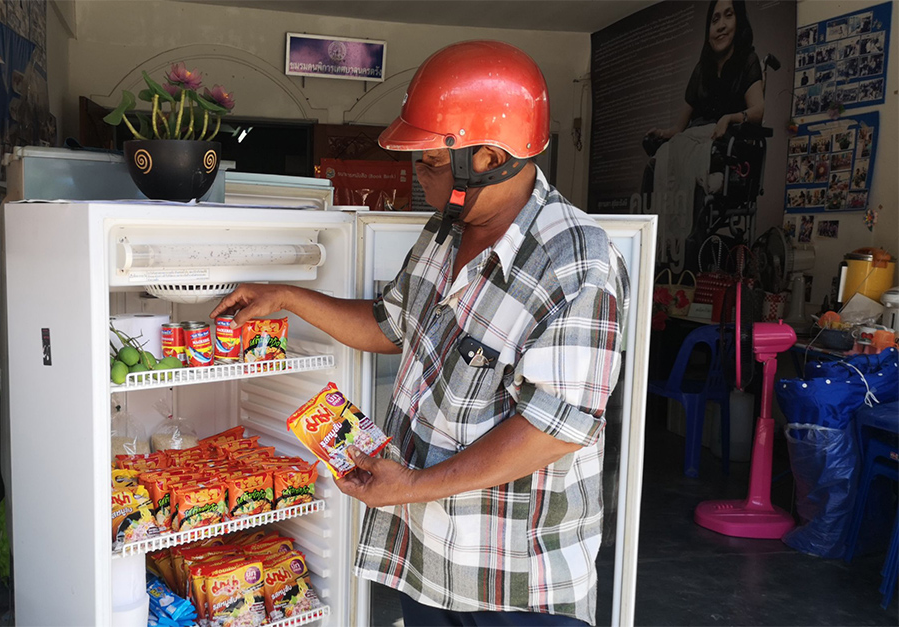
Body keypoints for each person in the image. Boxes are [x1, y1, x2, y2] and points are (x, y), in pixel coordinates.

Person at [211, 40, 628, 626]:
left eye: (430, 164)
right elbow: (389, 325)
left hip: (514, 583)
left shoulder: (577, 262)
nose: (419, 179)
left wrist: (413, 485)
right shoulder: (445, 233)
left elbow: (554, 430)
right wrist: (286, 297)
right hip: (428, 562)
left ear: (487, 157)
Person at [648, 0, 764, 141]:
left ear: (738, 21)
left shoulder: (748, 60)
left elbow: (758, 111)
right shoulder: (701, 70)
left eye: (728, 15)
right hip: (693, 139)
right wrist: (661, 133)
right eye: (715, 20)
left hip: (724, 142)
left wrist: (729, 118)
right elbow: (678, 128)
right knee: (661, 158)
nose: (721, 26)